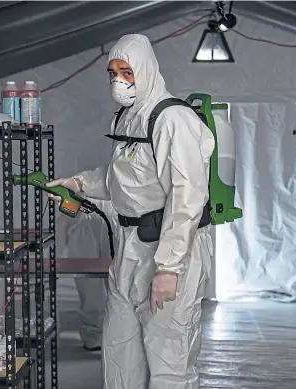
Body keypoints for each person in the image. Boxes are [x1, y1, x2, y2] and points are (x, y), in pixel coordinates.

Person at [47, 34, 215, 389]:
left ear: (145, 70)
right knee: (120, 350)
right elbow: (121, 181)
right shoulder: (125, 118)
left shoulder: (173, 119)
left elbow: (188, 197)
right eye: (113, 73)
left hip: (168, 248)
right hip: (128, 245)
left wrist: (169, 268)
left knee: (169, 356)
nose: (119, 81)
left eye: (127, 72)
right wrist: (77, 183)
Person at [55, 198, 116, 351]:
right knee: (89, 287)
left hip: (119, 218)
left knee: (119, 286)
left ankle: (120, 336)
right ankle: (93, 335)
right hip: (85, 219)